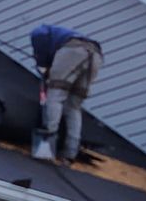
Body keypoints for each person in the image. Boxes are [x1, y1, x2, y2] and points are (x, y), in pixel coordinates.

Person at [29, 24, 103, 163]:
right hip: (95, 56)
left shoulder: (39, 33)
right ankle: (69, 154)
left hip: (73, 50)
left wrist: (43, 66)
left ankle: (46, 146)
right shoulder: (58, 35)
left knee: (55, 96)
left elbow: (41, 44)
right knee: (73, 106)